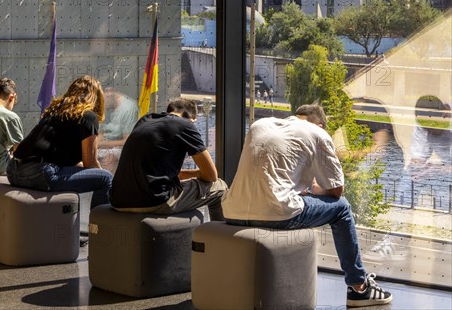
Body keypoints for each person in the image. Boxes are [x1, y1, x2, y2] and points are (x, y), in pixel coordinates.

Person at [222, 104, 393, 307]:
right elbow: (337, 190)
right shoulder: (317, 133)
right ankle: (359, 287)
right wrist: (313, 190)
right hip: (277, 214)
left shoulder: (260, 125)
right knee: (342, 208)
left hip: (232, 211)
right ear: (320, 124)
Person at [110, 98, 228, 220]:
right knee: (219, 186)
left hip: (118, 200)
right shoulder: (185, 124)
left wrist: (181, 175)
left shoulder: (145, 120)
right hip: (154, 201)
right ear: (192, 118)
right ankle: (216, 237)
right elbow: (211, 175)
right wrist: (197, 174)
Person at [7, 75, 112, 209]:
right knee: (106, 178)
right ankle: (99, 227)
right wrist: (103, 174)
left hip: (13, 171)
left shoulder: (54, 111)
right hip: (39, 174)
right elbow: (90, 163)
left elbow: (57, 154)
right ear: (97, 99)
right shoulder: (89, 117)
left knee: (91, 172)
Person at [98, 87, 139, 173]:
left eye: (102, 99)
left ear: (110, 92)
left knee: (108, 158)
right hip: (104, 145)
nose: (101, 103)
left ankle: (108, 184)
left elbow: (128, 140)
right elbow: (101, 131)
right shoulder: (107, 106)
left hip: (120, 147)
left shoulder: (128, 109)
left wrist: (103, 144)